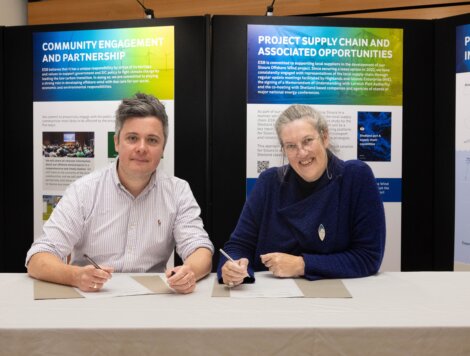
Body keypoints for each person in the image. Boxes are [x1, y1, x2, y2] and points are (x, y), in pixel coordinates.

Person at [27, 93, 214, 294]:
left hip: (151, 300)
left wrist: (189, 272)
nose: (141, 148)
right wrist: (75, 276)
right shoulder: (84, 191)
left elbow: (200, 249)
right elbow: (38, 258)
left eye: (152, 140)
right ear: (117, 142)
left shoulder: (178, 192)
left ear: (162, 149)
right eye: (132, 138)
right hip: (92, 298)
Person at [218, 104, 385, 286]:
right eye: (291, 146)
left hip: (336, 297)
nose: (302, 153)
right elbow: (238, 245)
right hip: (272, 298)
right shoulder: (269, 183)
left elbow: (368, 257)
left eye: (307, 141)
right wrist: (232, 267)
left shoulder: (355, 177)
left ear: (325, 137)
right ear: (283, 150)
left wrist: (301, 265)